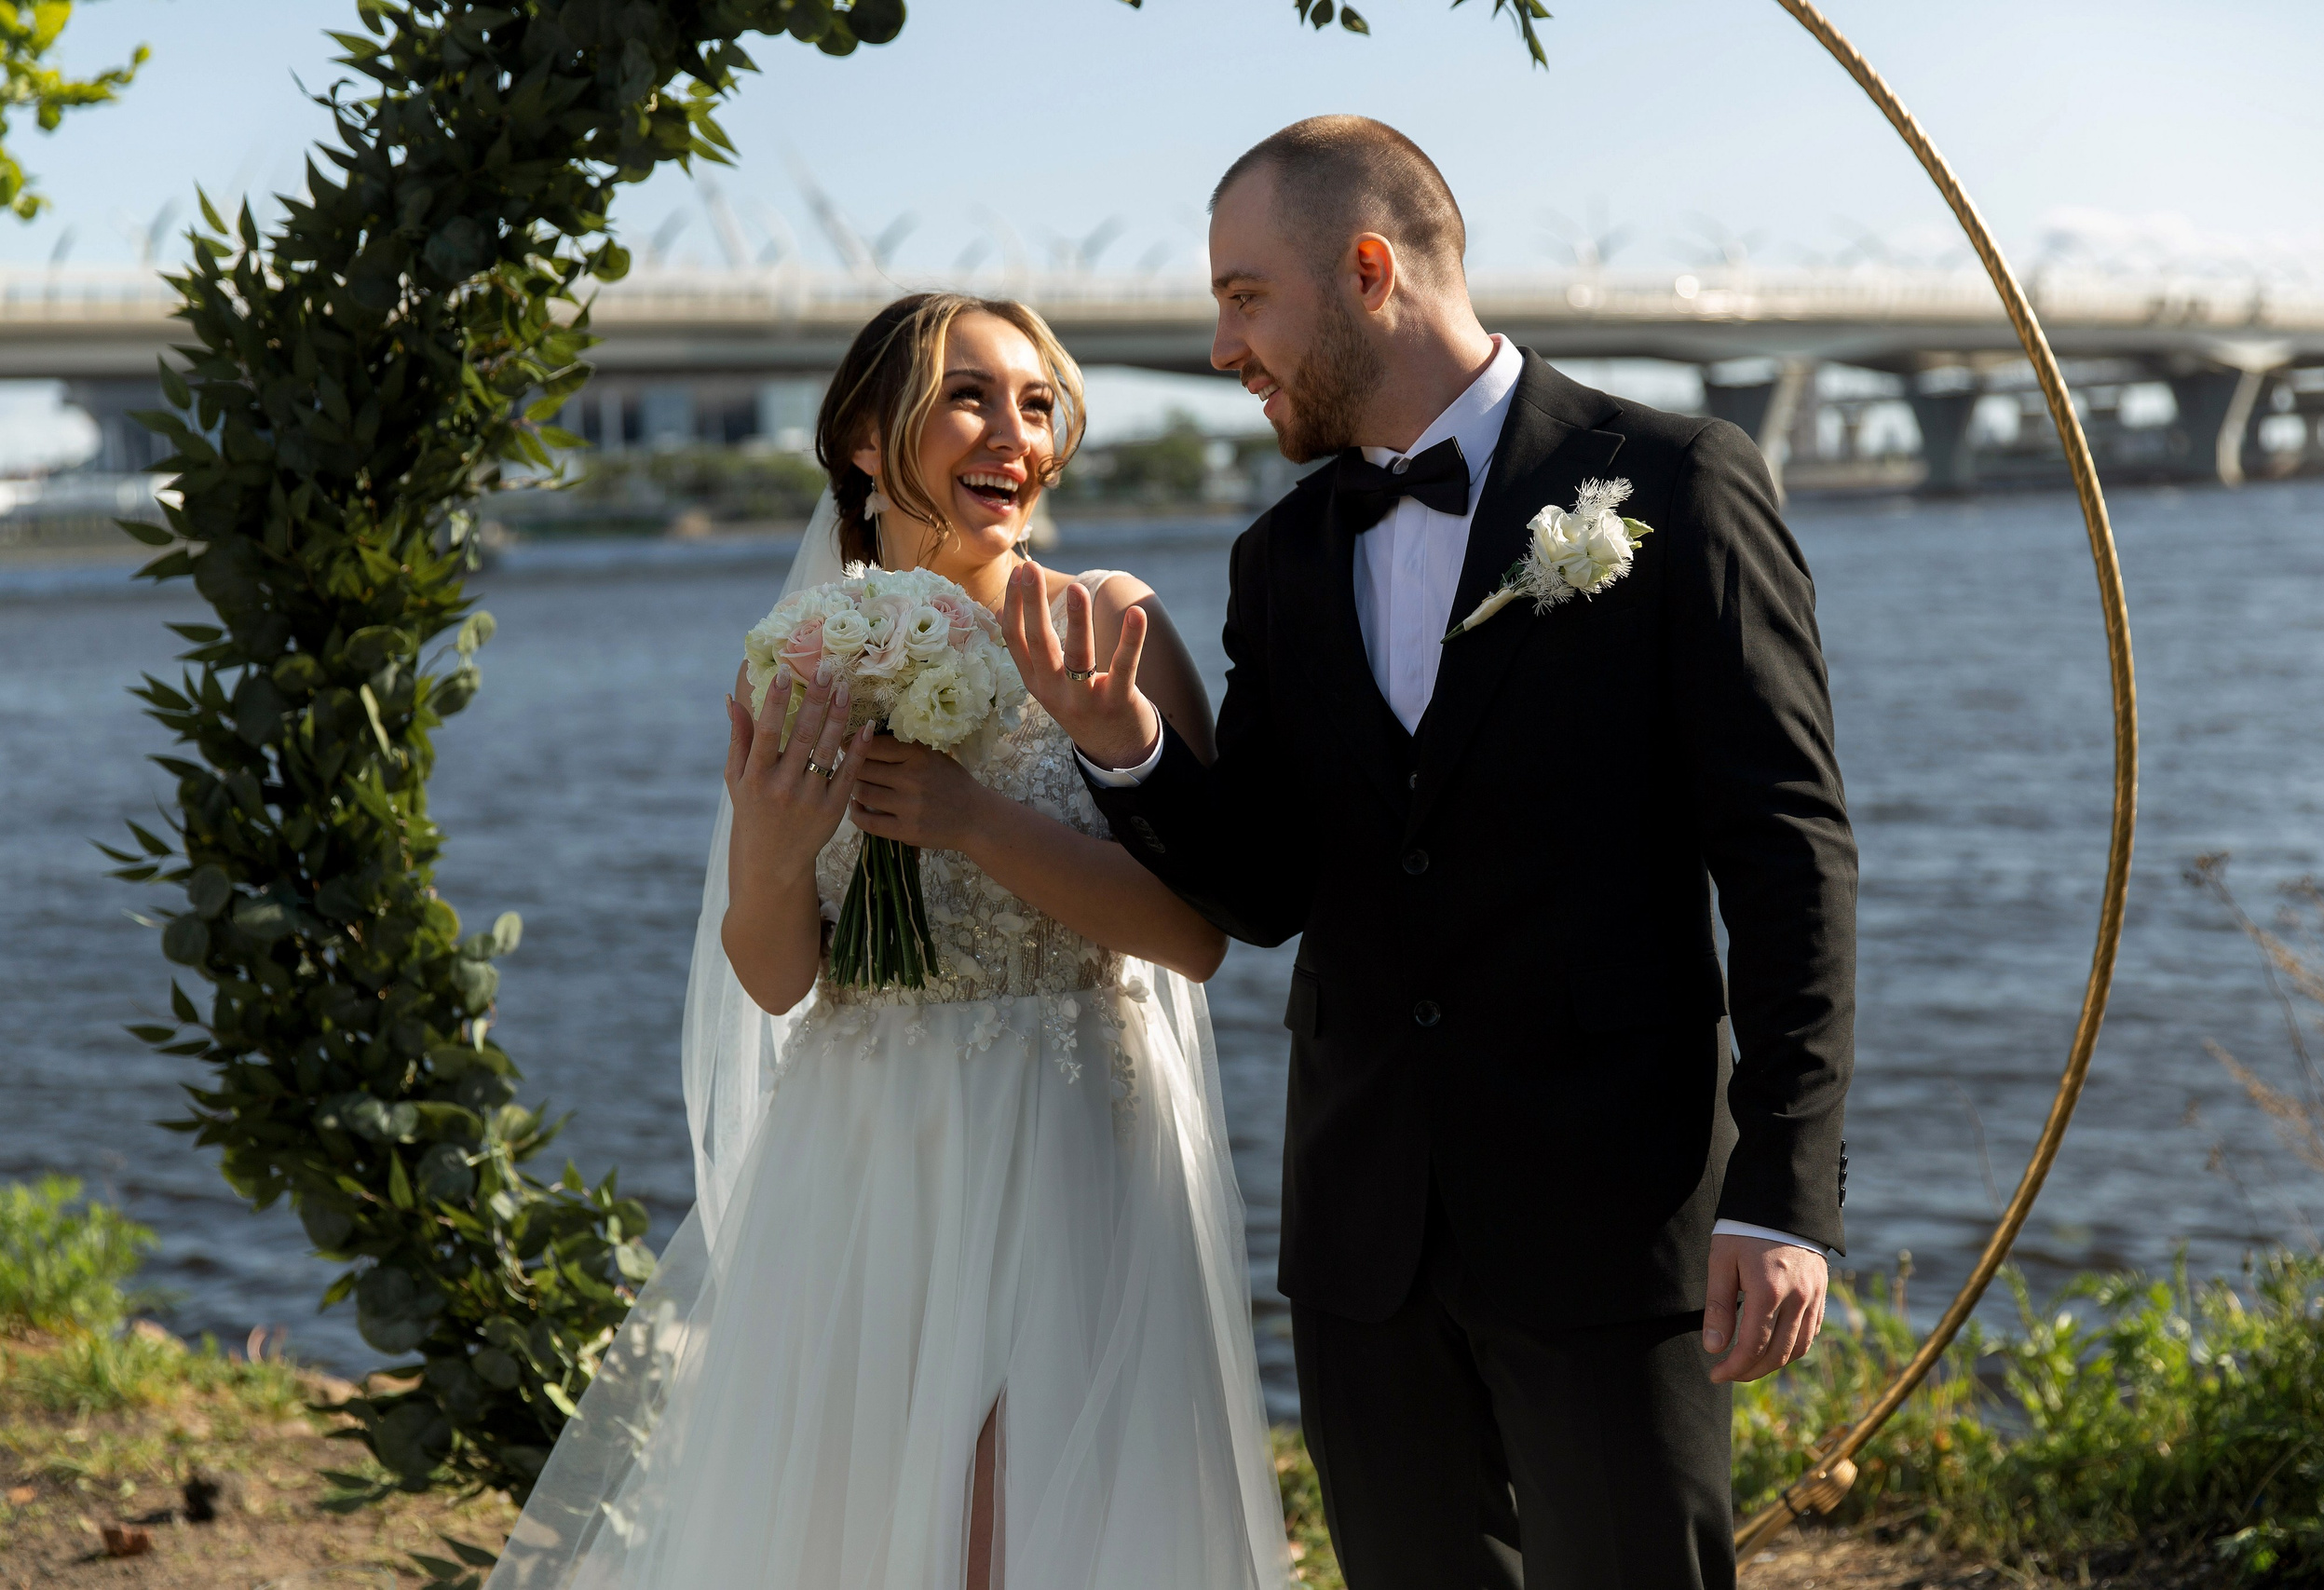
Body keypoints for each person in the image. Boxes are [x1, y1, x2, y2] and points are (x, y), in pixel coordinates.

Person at [1008, 117, 1858, 1588]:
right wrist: (1125, 743)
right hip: (1364, 1248)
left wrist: (1782, 1192)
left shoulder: (1677, 480)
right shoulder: (1278, 558)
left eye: (1242, 295)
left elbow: (1789, 859)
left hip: (1611, 1223)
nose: (1220, 346)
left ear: (1367, 269)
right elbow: (1270, 888)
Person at [488, 292, 1286, 1590]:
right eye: (970, 396)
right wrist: (770, 847)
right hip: (870, 1153)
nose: (1014, 436)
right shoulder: (803, 661)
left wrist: (972, 821)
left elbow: (1196, 938)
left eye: (1037, 404)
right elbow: (776, 973)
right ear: (867, 439)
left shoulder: (1110, 623)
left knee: (1034, 1530)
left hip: (1075, 1140)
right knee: (868, 1528)